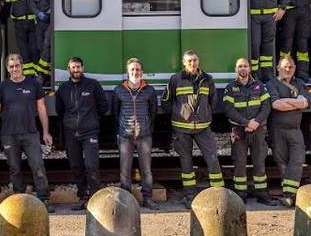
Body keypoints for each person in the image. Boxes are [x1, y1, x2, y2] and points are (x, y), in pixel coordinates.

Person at [0, 54, 54, 212]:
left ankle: (44, 198)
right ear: (7, 68)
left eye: (17, 65)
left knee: (38, 166)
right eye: (11, 66)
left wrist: (46, 132)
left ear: (22, 66)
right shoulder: (2, 87)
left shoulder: (34, 84)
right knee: (14, 169)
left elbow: (42, 108)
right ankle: (19, 200)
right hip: (8, 135)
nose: (14, 69)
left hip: (30, 134)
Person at [162, 50, 224, 208]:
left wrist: (204, 114)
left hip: (203, 127)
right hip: (182, 129)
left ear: (198, 61)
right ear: (184, 63)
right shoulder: (175, 79)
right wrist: (179, 114)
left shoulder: (207, 79)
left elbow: (213, 101)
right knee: (186, 163)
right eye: (189, 61)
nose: (192, 63)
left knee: (212, 159)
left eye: (195, 60)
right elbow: (166, 102)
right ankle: (190, 195)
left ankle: (219, 194)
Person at [55, 56, 107, 210]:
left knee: (92, 165)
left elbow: (103, 106)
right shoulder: (63, 89)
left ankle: (95, 199)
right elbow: (60, 111)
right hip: (71, 134)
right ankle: (83, 197)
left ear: (82, 68)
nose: (76, 70)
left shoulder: (92, 85)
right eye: (73, 67)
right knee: (76, 166)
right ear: (68, 70)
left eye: (78, 67)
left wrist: (91, 120)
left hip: (90, 132)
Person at [223, 58, 275, 205]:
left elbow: (266, 107)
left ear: (250, 68)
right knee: (239, 163)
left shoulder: (260, 86)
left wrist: (256, 122)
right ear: (236, 69)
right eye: (240, 66)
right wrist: (246, 123)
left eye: (245, 66)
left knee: (259, 162)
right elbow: (229, 110)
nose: (243, 68)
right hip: (239, 131)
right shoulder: (230, 88)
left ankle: (262, 194)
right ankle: (240, 195)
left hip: (257, 130)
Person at [113, 58, 159, 210]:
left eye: (138, 69)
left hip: (144, 136)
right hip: (125, 136)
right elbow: (115, 113)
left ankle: (148, 199)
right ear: (127, 72)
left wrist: (147, 128)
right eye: (132, 69)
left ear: (142, 72)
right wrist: (119, 132)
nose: (135, 72)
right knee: (124, 171)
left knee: (146, 170)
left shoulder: (149, 90)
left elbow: (153, 112)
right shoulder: (118, 90)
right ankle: (126, 202)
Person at [266, 55, 309, 207]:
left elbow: (305, 103)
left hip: (295, 129)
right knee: (282, 163)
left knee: (297, 160)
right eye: (284, 66)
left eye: (290, 66)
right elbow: (276, 104)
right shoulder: (271, 84)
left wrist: (288, 102)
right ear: (278, 68)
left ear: (295, 68)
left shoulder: (300, 83)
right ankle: (289, 195)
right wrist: (295, 102)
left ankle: (289, 194)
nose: (288, 69)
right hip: (277, 130)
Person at [249, 0, 290, 81]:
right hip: (253, 18)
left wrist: (282, 9)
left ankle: (267, 73)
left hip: (270, 18)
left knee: (268, 46)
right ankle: (254, 73)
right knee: (254, 46)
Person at [5, 0, 38, 76]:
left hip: (34, 22)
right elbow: (7, 5)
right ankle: (29, 76)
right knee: (24, 52)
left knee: (35, 50)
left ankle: (38, 77)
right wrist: (2, 21)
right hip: (19, 24)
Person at [26, 0, 52, 84]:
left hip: (53, 19)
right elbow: (30, 0)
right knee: (40, 46)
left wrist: (52, 10)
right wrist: (38, 13)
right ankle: (48, 75)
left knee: (48, 43)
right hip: (40, 19)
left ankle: (40, 75)